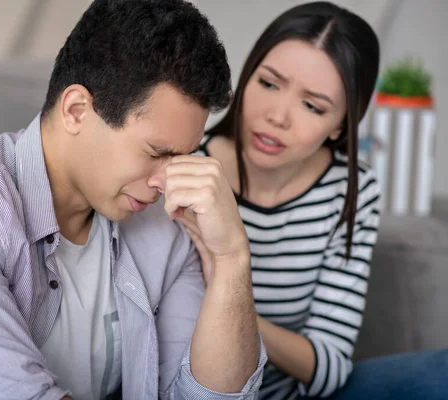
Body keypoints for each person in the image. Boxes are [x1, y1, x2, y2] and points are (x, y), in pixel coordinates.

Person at [0, 1, 267, 399]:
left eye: (182, 156)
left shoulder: (164, 226)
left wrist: (232, 257)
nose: (166, 181)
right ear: (77, 110)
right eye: (157, 153)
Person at [181, 2, 448, 399]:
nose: (278, 116)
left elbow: (330, 365)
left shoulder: (349, 189)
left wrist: (232, 296)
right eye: (268, 83)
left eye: (312, 106)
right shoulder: (189, 172)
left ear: (340, 123)